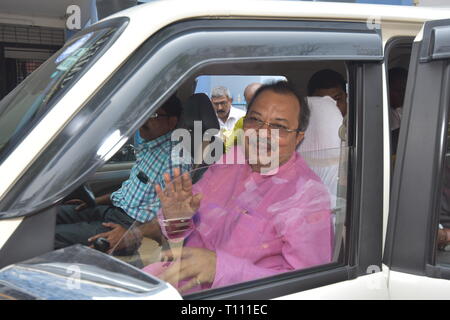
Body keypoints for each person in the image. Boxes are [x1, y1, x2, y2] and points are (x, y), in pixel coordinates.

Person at [142, 81, 333, 293]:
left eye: (278, 126)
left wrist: (220, 268)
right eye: (256, 120)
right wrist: (176, 218)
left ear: (298, 137)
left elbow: (307, 288)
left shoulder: (307, 195)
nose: (262, 133)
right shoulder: (231, 160)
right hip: (179, 281)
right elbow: (183, 228)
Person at [54, 95, 191, 253]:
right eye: (144, 112)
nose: (144, 119)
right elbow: (131, 191)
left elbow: (168, 216)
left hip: (127, 226)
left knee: (49, 236)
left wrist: (131, 234)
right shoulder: (150, 147)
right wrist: (95, 202)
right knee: (46, 218)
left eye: (152, 115)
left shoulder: (176, 160)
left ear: (172, 122)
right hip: (110, 210)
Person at [307, 69, 348, 142]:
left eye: (337, 99)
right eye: (323, 102)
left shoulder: (358, 127)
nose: (332, 107)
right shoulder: (303, 132)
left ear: (346, 98)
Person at [388, 67, 408, 155]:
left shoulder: (411, 109)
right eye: (398, 90)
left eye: (404, 89)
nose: (402, 94)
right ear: (388, 89)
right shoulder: (382, 113)